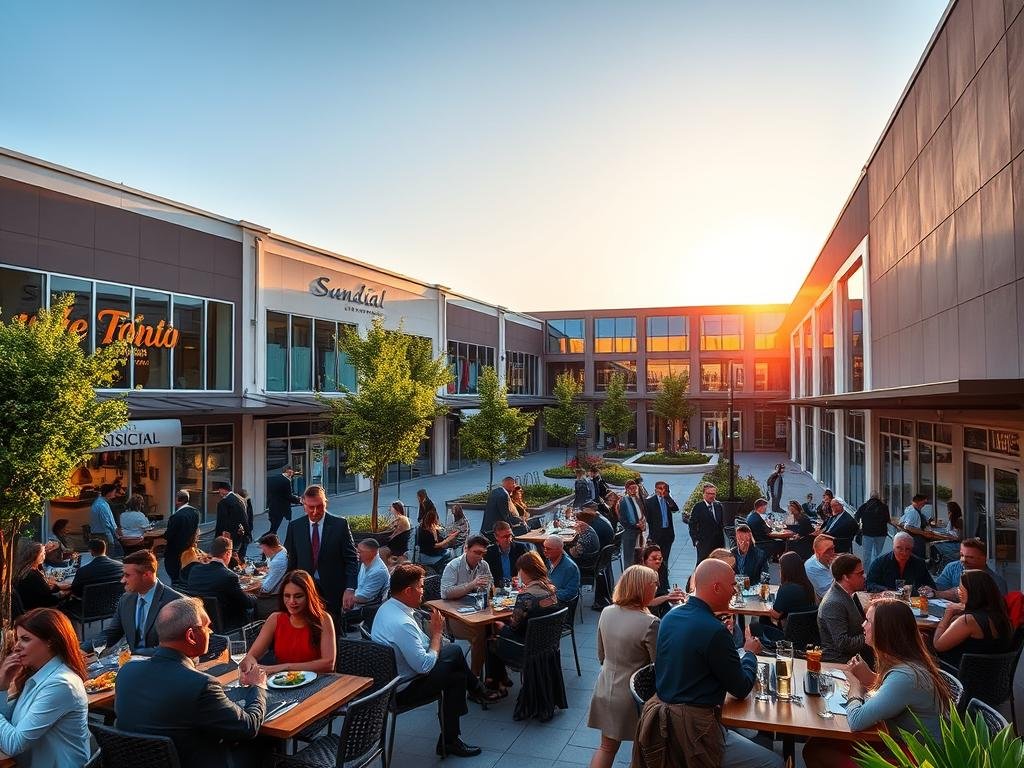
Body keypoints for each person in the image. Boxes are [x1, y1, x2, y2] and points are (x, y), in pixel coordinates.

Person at [642, 557, 780, 768]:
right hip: (695, 733)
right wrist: (751, 653)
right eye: (733, 585)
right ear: (716, 587)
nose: (735, 591)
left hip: (662, 725)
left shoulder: (671, 615)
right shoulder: (714, 631)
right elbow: (741, 688)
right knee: (774, 762)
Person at [115, 597, 267, 768]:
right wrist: (258, 686)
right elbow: (248, 726)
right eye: (207, 627)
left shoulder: (126, 672)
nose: (210, 632)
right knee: (265, 743)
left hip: (137, 761)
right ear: (191, 636)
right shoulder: (200, 684)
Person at [803, 599, 951, 768]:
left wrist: (855, 686)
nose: (863, 625)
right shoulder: (906, 664)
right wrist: (867, 677)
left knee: (817, 751)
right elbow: (890, 694)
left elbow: (857, 721)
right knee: (818, 742)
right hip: (901, 745)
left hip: (915, 759)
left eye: (868, 621)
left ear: (885, 631)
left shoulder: (906, 676)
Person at [371, 564, 496, 758]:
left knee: (457, 677)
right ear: (407, 591)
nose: (423, 592)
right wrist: (437, 634)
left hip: (393, 678)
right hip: (402, 688)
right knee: (454, 652)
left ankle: (452, 737)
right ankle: (477, 691)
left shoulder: (386, 608)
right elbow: (425, 665)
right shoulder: (402, 623)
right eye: (420, 587)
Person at [587, 564, 660, 768]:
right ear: (642, 588)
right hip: (633, 697)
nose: (657, 588)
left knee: (606, 748)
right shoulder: (650, 623)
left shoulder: (607, 612)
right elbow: (658, 665)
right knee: (641, 752)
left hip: (605, 686)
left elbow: (601, 655)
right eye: (654, 584)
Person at [0, 608, 90, 766]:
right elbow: (9, 725)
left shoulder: (60, 685)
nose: (16, 647)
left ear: (51, 642)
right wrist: (3, 686)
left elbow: (14, 744)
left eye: (25, 639)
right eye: (17, 639)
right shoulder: (37, 674)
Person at [484, 551, 559, 695]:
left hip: (527, 648)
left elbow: (514, 627)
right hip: (548, 644)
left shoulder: (526, 597)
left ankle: (495, 684)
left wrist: (502, 626)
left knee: (491, 638)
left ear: (526, 571)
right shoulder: (551, 590)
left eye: (520, 570)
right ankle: (502, 679)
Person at [283, 485, 359, 620]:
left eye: (319, 506)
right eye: (311, 507)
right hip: (305, 589)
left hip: (333, 590)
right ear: (304, 505)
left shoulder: (339, 525)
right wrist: (288, 589)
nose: (315, 511)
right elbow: (292, 561)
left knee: (333, 628)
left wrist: (350, 588)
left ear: (326, 503)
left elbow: (351, 559)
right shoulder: (295, 527)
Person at [241, 569, 337, 674]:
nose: (292, 602)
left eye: (298, 596)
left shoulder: (323, 619)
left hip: (318, 682)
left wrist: (286, 667)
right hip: (282, 683)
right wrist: (251, 665)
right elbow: (251, 656)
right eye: (287, 596)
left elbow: (328, 664)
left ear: (309, 596)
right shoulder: (275, 619)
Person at [99, 549, 184, 655]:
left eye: (127, 575)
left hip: (162, 666)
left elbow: (176, 648)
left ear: (147, 575)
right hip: (134, 663)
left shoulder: (176, 603)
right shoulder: (125, 600)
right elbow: (112, 633)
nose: (122, 580)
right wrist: (83, 648)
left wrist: (138, 655)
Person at [931, 568, 1014, 668]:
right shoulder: (999, 614)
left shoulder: (968, 621)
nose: (958, 592)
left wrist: (948, 613)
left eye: (961, 589)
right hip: (991, 674)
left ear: (973, 592)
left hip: (958, 675)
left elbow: (938, 645)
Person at [440, 535, 494, 676]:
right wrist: (472, 585)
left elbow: (490, 583)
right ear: (466, 549)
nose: (480, 556)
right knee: (480, 634)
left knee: (496, 630)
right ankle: (475, 679)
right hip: (453, 617)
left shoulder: (483, 565)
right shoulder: (453, 566)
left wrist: (487, 587)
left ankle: (494, 677)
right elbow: (446, 593)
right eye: (476, 552)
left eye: (483, 553)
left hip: (477, 612)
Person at [186, 535, 256, 631]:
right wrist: (255, 597)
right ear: (228, 553)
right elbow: (246, 603)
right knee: (255, 607)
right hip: (225, 622)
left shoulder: (195, 570)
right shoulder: (229, 577)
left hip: (198, 618)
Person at [753, 551, 817, 644]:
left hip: (788, 633)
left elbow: (776, 614)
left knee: (755, 623)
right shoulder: (808, 585)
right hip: (806, 632)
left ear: (785, 570)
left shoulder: (786, 589)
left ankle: (765, 647)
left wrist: (767, 607)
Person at [817, 553, 868, 663]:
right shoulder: (833, 603)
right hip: (841, 662)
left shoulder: (850, 594)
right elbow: (843, 644)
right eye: (860, 573)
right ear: (846, 577)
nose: (864, 577)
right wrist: (870, 635)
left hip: (856, 657)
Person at [921, 537, 1009, 599]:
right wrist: (928, 589)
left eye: (970, 557)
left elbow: (997, 612)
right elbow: (938, 588)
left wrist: (942, 594)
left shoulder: (997, 582)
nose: (963, 560)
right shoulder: (953, 568)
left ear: (984, 559)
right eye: (962, 555)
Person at [865, 532, 935, 593]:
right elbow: (869, 584)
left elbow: (931, 585)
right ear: (893, 546)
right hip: (886, 602)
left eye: (908, 549)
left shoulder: (919, 563)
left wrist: (923, 590)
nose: (904, 553)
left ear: (912, 548)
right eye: (899, 548)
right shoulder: (880, 562)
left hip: (912, 603)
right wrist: (887, 590)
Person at [646, 481, 680, 587]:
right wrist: (649, 536)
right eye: (660, 488)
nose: (663, 491)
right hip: (656, 535)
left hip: (667, 534)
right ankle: (655, 580)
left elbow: (675, 509)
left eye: (665, 489)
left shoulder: (667, 500)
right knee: (656, 559)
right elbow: (648, 519)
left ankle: (664, 582)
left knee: (664, 559)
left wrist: (668, 497)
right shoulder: (650, 501)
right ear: (656, 489)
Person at [14, 541, 63, 612]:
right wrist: (60, 592)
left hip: (30, 603)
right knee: (67, 593)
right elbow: (47, 593)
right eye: (42, 554)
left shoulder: (26, 569)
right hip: (37, 608)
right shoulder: (32, 575)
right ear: (35, 556)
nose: (44, 556)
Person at [164, 490, 200, 584]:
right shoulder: (195, 512)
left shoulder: (177, 516)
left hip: (175, 550)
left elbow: (169, 535)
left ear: (178, 500)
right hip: (189, 547)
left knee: (174, 573)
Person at [640, 545, 685, 616]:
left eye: (660, 558)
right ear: (645, 560)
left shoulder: (661, 571)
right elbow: (646, 602)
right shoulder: (640, 577)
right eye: (654, 558)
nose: (658, 561)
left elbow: (662, 593)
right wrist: (667, 597)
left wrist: (672, 596)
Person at [687, 482, 723, 564]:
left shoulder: (718, 505)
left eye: (713, 494)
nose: (711, 496)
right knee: (702, 566)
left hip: (718, 543)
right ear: (703, 494)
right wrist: (695, 540)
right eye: (708, 493)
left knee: (717, 565)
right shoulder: (698, 507)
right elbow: (692, 524)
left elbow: (721, 523)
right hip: (704, 544)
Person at [213, 481, 250, 562]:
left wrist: (217, 536)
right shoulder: (240, 499)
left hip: (228, 534)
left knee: (227, 554)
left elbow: (221, 522)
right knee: (236, 554)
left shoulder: (224, 503)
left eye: (219, 490)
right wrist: (247, 532)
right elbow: (245, 516)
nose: (219, 492)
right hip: (239, 532)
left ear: (223, 490)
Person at [254, 533, 288, 619]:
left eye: (263, 548)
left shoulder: (277, 562)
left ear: (271, 547)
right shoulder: (280, 550)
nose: (262, 552)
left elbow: (266, 588)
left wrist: (253, 584)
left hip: (272, 598)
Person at [854, 491, 890, 571]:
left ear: (870, 497)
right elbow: (887, 519)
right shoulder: (884, 507)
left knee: (867, 554)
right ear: (878, 497)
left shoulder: (865, 506)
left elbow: (856, 516)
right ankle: (877, 570)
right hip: (881, 533)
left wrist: (860, 526)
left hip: (867, 533)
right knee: (879, 553)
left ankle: (866, 572)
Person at [484, 522, 529, 586]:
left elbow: (529, 570)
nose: (509, 539)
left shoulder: (520, 549)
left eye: (510, 535)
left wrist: (519, 579)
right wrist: (505, 582)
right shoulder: (489, 552)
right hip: (498, 588)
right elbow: (488, 577)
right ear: (496, 537)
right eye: (505, 537)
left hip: (518, 586)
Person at [417, 507, 458, 572]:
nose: (438, 519)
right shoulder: (424, 531)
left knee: (450, 551)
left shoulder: (432, 527)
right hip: (428, 553)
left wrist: (449, 536)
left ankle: (439, 568)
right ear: (432, 519)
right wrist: (448, 539)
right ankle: (436, 568)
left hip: (434, 551)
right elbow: (434, 545)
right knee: (449, 553)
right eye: (436, 518)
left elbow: (437, 540)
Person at [543, 536, 581, 602]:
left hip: (560, 603)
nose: (545, 551)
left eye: (548, 549)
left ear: (560, 549)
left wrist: (548, 595)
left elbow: (570, 593)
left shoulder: (569, 567)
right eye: (544, 548)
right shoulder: (550, 560)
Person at [265, 465, 300, 536]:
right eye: (291, 472)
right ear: (288, 471)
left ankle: (267, 541)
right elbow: (288, 496)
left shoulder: (272, 478)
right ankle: (264, 541)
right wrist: (299, 500)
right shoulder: (286, 481)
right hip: (282, 509)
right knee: (278, 530)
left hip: (272, 507)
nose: (292, 474)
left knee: (274, 528)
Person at [617, 480, 646, 565]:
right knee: (629, 559)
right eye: (631, 488)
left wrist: (642, 523)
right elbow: (622, 520)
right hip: (629, 533)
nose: (634, 490)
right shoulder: (623, 501)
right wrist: (635, 525)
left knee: (639, 556)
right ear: (627, 489)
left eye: (635, 488)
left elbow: (643, 512)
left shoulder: (638, 499)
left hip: (639, 532)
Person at [354, 538, 390, 606]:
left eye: (360, 552)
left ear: (373, 552)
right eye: (357, 551)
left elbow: (364, 598)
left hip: (367, 609)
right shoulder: (364, 563)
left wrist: (344, 597)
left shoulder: (379, 571)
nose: (357, 554)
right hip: (357, 602)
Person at [90, 483, 121, 557]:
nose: (115, 494)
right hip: (103, 536)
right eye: (114, 492)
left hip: (100, 534)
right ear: (109, 493)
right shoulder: (102, 505)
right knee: (107, 557)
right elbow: (106, 523)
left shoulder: (100, 502)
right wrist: (114, 536)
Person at [898, 493, 932, 559]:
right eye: (924, 502)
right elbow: (907, 526)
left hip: (915, 539)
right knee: (917, 559)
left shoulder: (913, 510)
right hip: (915, 540)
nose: (924, 505)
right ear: (919, 502)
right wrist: (923, 533)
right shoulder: (912, 512)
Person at [805, 534, 837, 598]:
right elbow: (827, 593)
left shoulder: (832, 560)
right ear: (817, 552)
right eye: (827, 550)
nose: (832, 553)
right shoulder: (811, 567)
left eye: (832, 548)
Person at [237, 489, 256, 560]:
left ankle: (241, 558)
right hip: (246, 527)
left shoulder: (242, 503)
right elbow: (250, 517)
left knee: (242, 546)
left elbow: (249, 516)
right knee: (243, 546)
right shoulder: (247, 502)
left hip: (243, 528)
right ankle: (241, 558)